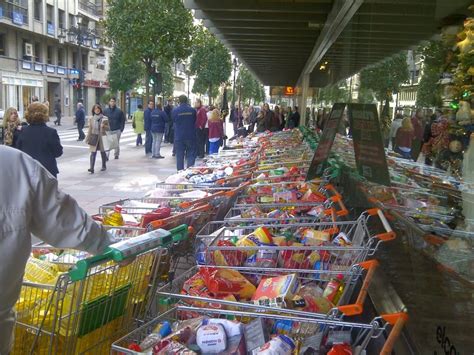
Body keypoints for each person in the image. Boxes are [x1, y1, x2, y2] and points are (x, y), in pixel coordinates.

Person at [0, 145, 116, 355]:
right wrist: (108, 245)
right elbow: (65, 220)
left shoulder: (15, 164)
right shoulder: (14, 164)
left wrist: (106, 244)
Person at [16, 103, 63, 178]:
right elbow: (58, 152)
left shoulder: (23, 131)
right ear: (44, 115)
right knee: (47, 190)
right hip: (47, 170)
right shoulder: (50, 132)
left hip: (28, 170)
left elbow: (18, 150)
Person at [172, 95, 196, 171]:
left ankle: (180, 172)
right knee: (191, 154)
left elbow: (174, 120)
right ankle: (190, 171)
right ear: (187, 101)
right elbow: (194, 120)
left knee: (179, 155)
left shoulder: (175, 110)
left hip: (179, 135)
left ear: (179, 101)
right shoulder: (192, 110)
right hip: (190, 135)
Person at [85, 104, 109, 173]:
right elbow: (90, 129)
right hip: (94, 137)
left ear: (100, 109)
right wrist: (87, 138)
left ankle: (104, 166)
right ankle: (91, 168)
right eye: (95, 109)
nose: (97, 110)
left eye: (98, 108)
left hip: (102, 137)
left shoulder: (105, 118)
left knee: (103, 152)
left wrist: (104, 126)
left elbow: (108, 128)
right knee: (93, 153)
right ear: (93, 110)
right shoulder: (92, 119)